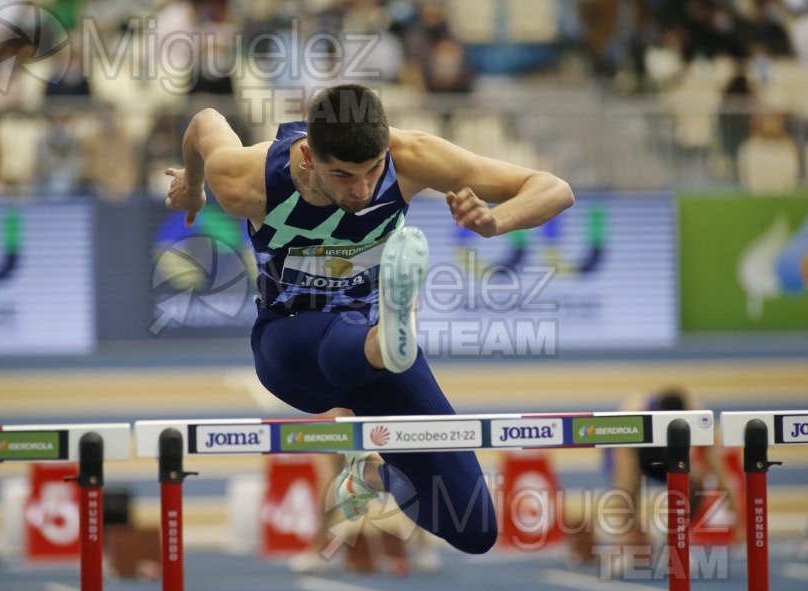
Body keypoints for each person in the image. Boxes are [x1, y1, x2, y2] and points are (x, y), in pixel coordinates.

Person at [164, 83, 574, 555]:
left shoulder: (410, 156)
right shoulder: (249, 179)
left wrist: (496, 221)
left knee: (474, 528)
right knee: (346, 342)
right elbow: (205, 122)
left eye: (372, 170)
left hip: (379, 353)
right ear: (310, 157)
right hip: (291, 347)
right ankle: (383, 343)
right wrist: (193, 186)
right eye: (342, 175)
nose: (360, 190)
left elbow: (554, 190)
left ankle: (375, 472)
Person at [567, 388, 744, 572]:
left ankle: (674, 543)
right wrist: (625, 537)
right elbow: (623, 477)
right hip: (636, 452)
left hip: (669, 456)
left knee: (697, 482)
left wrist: (740, 526)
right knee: (628, 487)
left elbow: (721, 475)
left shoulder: (699, 418)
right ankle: (625, 547)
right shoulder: (635, 411)